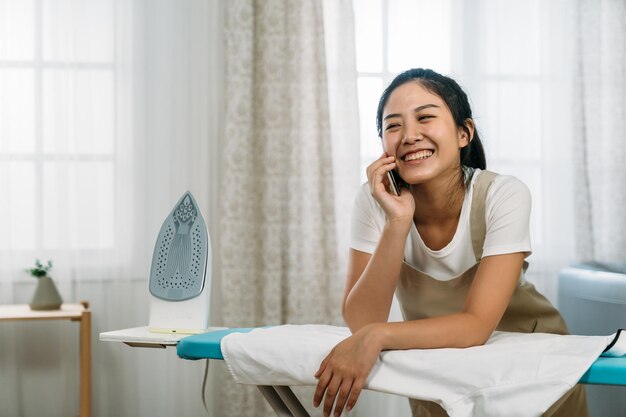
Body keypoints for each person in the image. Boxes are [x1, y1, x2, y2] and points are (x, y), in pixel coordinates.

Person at [312, 68, 587, 417]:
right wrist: (398, 222)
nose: (409, 135)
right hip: (441, 373)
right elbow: (362, 320)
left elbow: (475, 324)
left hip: (532, 374)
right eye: (393, 126)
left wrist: (378, 336)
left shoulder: (502, 194)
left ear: (463, 133)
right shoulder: (374, 200)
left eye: (425, 117)